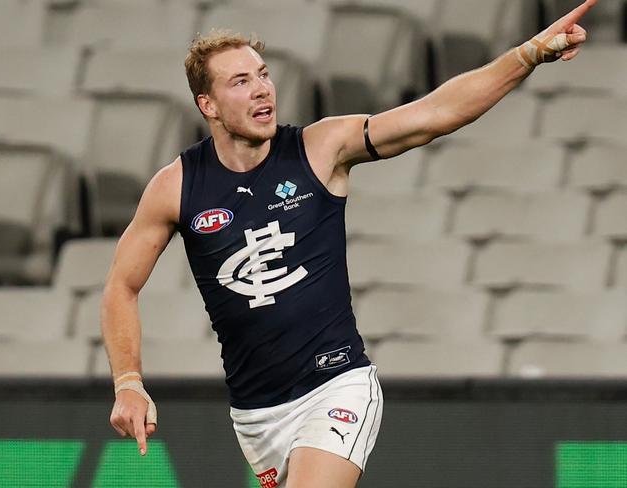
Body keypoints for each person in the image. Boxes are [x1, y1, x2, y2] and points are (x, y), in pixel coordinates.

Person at [101, 1, 595, 486]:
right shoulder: (177, 185)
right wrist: (128, 383)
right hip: (255, 413)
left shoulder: (320, 149)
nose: (262, 89)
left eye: (264, 74)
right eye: (240, 81)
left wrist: (528, 54)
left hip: (337, 385)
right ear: (206, 105)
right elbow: (121, 285)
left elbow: (435, 114)